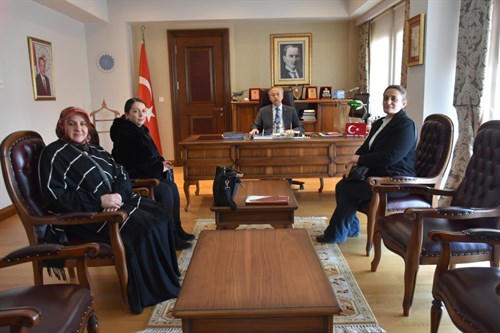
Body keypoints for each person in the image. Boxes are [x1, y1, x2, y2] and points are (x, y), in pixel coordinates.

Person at [38, 107, 181, 314]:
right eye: (72, 123)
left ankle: (166, 278)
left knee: (160, 213)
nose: (78, 128)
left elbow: (120, 172)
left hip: (116, 202)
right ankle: (150, 290)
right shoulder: (53, 154)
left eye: (82, 124)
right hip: (87, 215)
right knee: (142, 226)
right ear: (62, 126)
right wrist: (99, 201)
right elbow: (55, 197)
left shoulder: (94, 149)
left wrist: (119, 195)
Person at [316, 85, 417, 243]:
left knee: (349, 189)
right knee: (343, 185)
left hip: (395, 180)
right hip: (378, 174)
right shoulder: (379, 123)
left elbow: (392, 157)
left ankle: (335, 234)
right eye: (386, 98)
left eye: (394, 99)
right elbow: (366, 147)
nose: (388, 101)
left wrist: (360, 160)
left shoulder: (405, 125)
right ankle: (351, 228)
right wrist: (353, 159)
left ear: (403, 103)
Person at [110, 97, 194, 250]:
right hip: (132, 177)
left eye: (143, 111)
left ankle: (177, 230)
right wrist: (159, 167)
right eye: (135, 111)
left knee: (173, 187)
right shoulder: (126, 133)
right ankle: (170, 237)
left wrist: (161, 162)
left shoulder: (140, 130)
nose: (140, 114)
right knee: (166, 190)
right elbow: (140, 161)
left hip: (146, 171)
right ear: (127, 115)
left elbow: (152, 155)